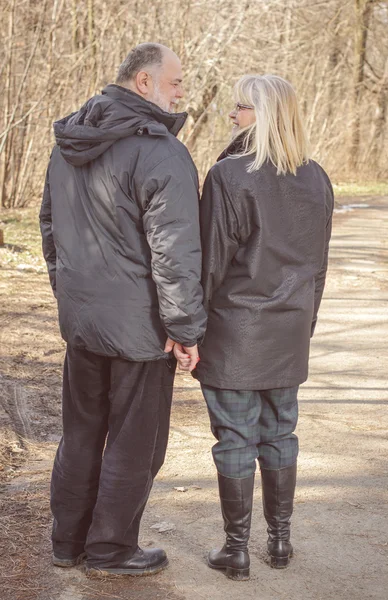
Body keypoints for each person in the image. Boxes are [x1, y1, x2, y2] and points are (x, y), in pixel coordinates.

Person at [39, 43, 206, 577]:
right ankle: (111, 551)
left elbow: (51, 230)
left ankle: (67, 543)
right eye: (175, 82)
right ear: (143, 82)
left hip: (83, 323)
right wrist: (184, 328)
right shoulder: (159, 151)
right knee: (136, 442)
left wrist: (69, 294)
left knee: (82, 432)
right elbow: (175, 253)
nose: (182, 91)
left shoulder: (68, 143)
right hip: (140, 332)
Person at [177, 74, 333, 580]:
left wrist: (190, 331)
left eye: (240, 108)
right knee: (280, 434)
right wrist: (302, 327)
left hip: (235, 334)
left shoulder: (229, 176)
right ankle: (281, 543)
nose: (232, 116)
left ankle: (237, 549)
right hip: (287, 333)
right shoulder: (317, 177)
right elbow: (318, 270)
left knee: (236, 438)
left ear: (262, 115)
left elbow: (210, 264)